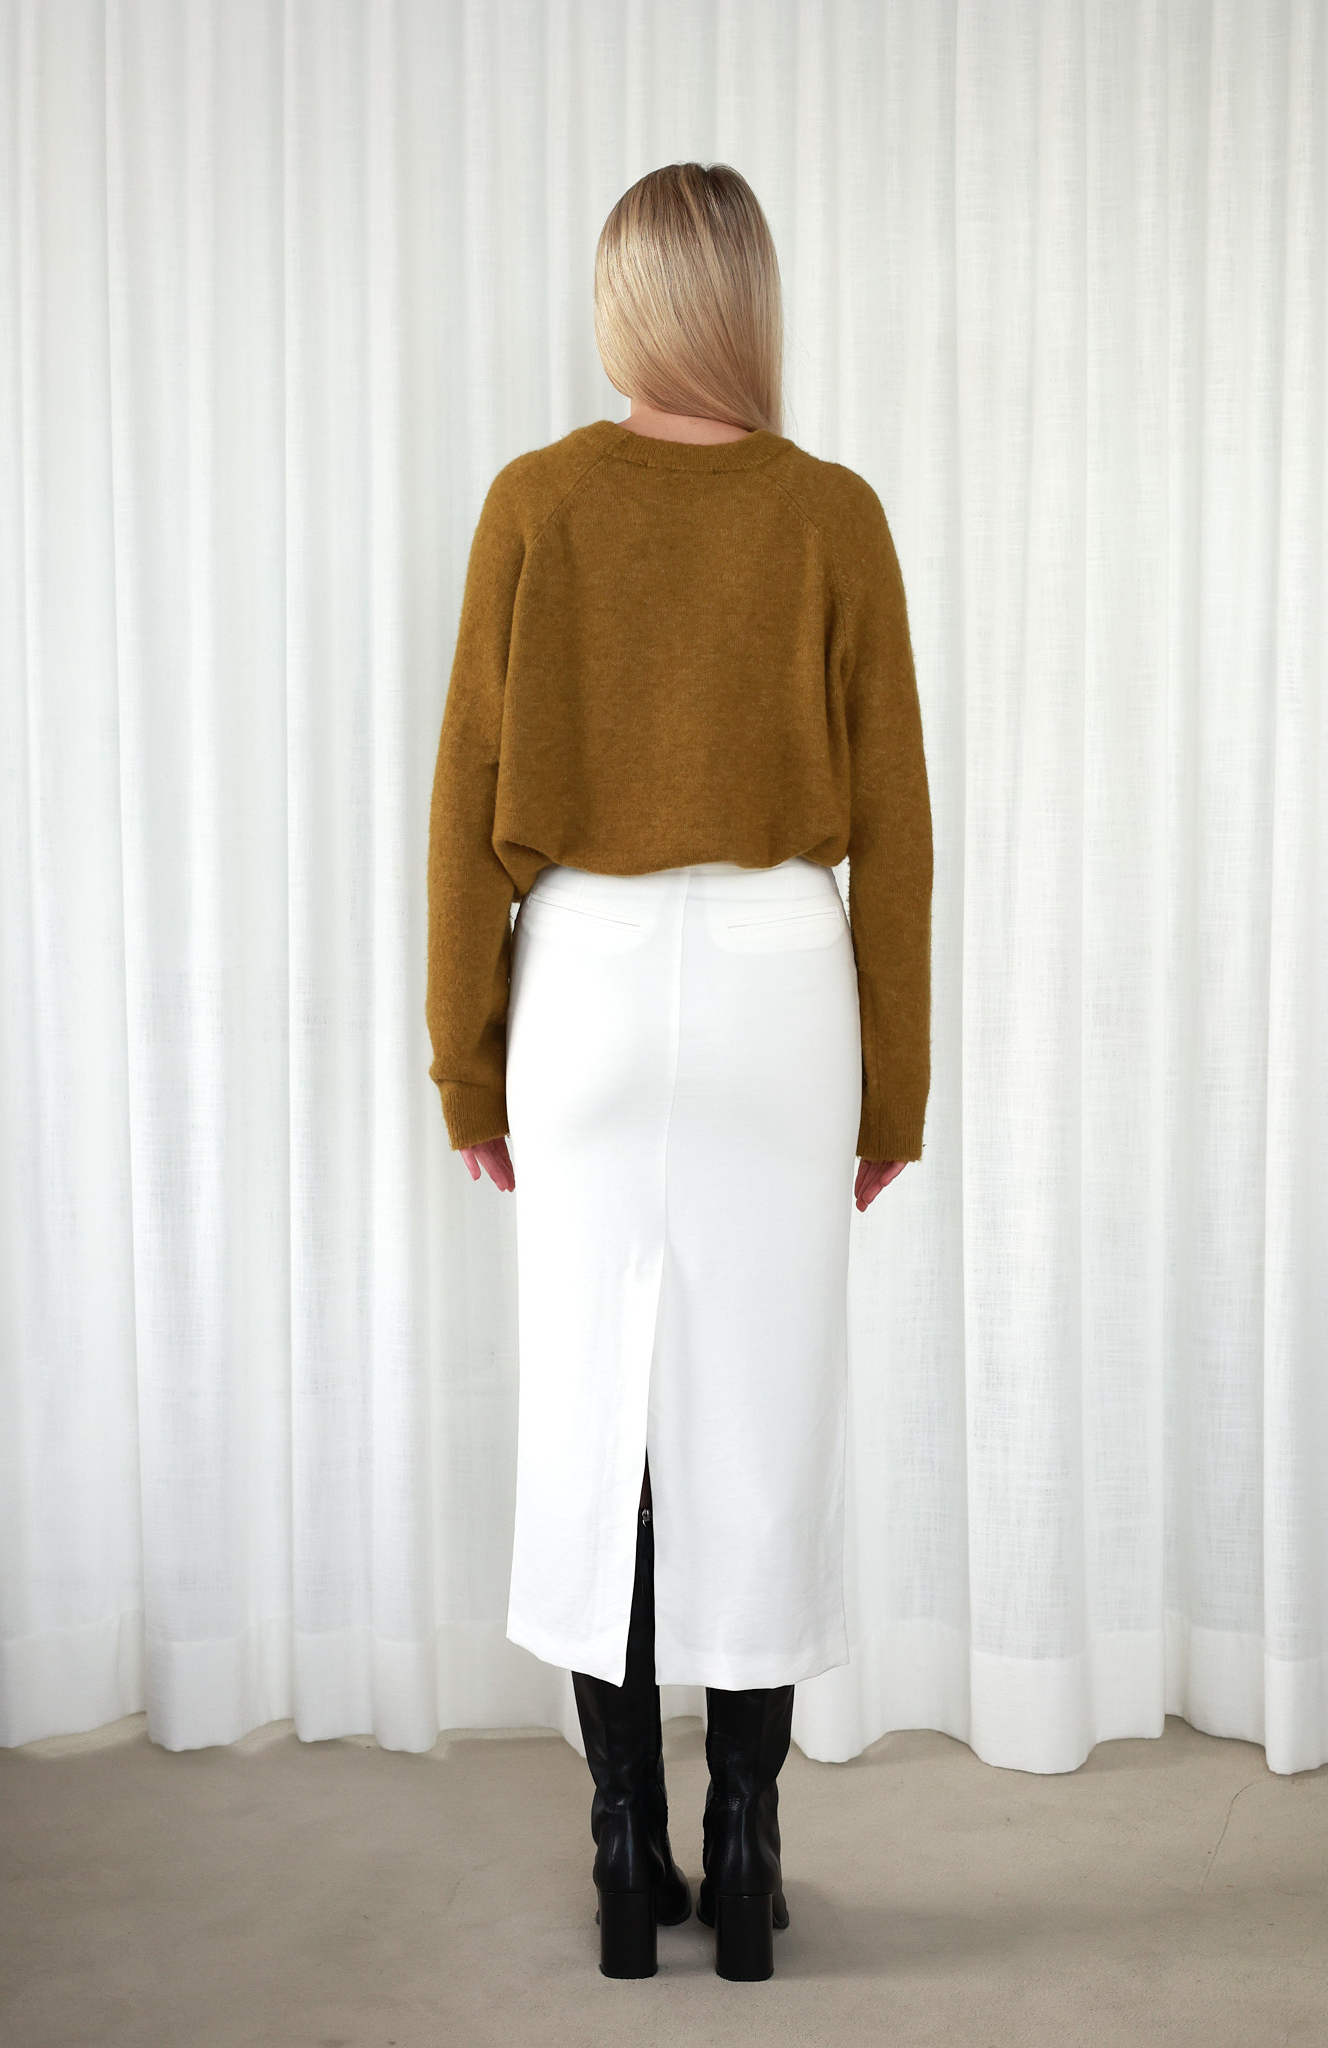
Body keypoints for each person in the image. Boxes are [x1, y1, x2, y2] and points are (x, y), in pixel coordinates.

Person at [425, 161, 933, 1983]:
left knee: (599, 1413)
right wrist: (893, 1093)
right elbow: (893, 824)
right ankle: (745, 1834)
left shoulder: (535, 502)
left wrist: (466, 1066)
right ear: (750, 304)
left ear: (624, 305)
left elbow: (467, 802)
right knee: (761, 1413)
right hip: (780, 988)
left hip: (584, 978)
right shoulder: (832, 513)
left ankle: (622, 1840)